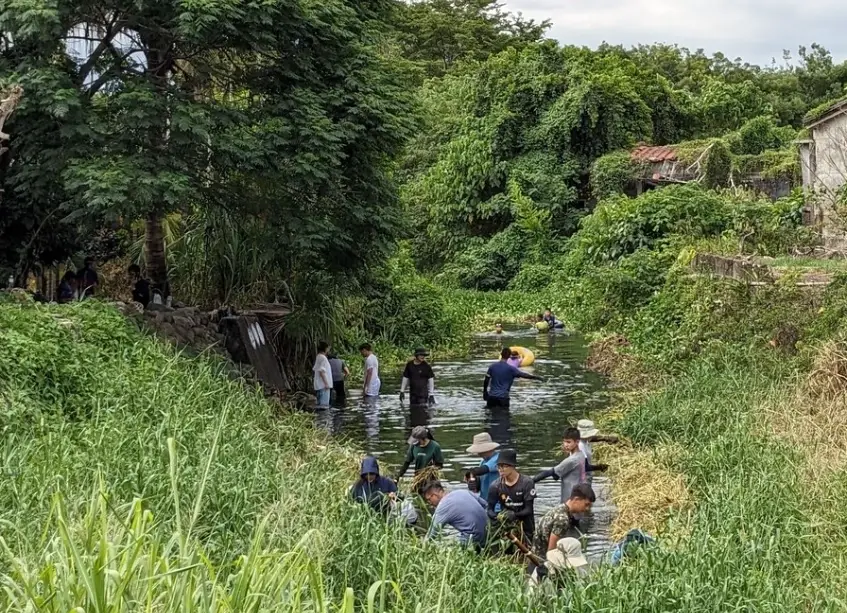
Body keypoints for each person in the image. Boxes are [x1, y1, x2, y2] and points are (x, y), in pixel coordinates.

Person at [532, 483, 596, 563]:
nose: (587, 509)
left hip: (535, 556)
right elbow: (551, 552)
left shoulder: (559, 509)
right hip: (540, 562)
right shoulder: (562, 520)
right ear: (576, 499)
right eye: (586, 504)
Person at [486, 449, 536, 545]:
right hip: (506, 527)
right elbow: (489, 509)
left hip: (526, 527)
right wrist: (496, 517)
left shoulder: (527, 483)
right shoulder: (495, 486)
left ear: (513, 466)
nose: (501, 470)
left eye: (504, 466)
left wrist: (515, 515)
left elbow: (528, 509)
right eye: (499, 466)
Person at [423, 480, 489, 549]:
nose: (429, 503)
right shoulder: (461, 492)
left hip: (472, 538)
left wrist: (422, 548)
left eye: (429, 499)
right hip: (487, 533)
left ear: (434, 495)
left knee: (452, 551)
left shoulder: (442, 506)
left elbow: (432, 533)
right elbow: (485, 504)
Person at [533, 428, 586, 502]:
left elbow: (551, 472)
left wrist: (531, 481)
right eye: (564, 442)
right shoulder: (581, 455)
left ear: (577, 442)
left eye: (568, 442)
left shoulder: (571, 460)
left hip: (571, 499)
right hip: (580, 495)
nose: (565, 445)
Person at [463, 432, 500, 500]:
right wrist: (472, 483)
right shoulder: (483, 462)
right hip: (484, 500)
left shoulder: (498, 459)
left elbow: (483, 470)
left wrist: (471, 472)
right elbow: (479, 483)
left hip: (496, 502)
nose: (478, 454)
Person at [313, 341, 333, 408]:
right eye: (328, 348)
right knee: (324, 407)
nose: (328, 350)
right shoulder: (323, 358)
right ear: (325, 348)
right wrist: (326, 384)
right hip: (323, 386)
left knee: (320, 406)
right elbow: (322, 371)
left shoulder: (318, 356)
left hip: (319, 385)